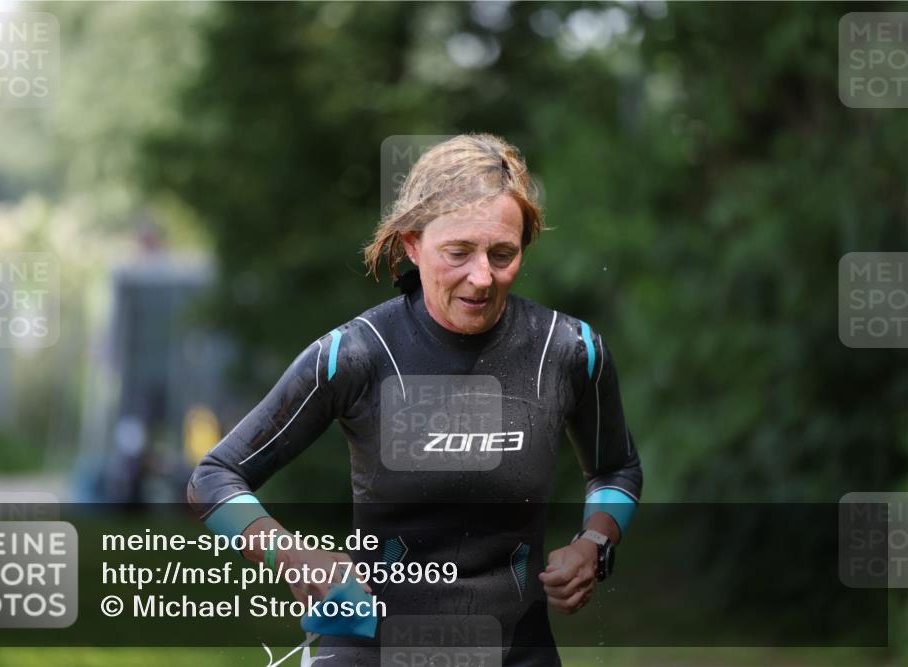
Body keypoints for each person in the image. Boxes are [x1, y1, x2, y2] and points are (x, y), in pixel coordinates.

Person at [188, 134, 643, 665]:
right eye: (458, 253)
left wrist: (595, 542)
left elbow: (617, 469)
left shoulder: (568, 351)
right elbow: (212, 478)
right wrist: (291, 555)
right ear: (411, 244)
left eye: (503, 254)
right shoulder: (355, 355)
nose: (482, 277)